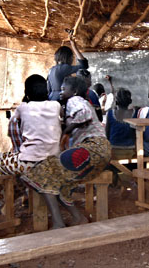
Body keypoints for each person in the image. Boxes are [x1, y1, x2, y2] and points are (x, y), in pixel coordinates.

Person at [21, 76, 110, 228]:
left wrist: (65, 131)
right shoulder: (72, 106)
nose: (60, 92)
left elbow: (84, 115)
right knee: (58, 180)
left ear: (74, 91)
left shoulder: (75, 101)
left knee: (39, 171)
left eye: (63, 89)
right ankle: (77, 218)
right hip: (98, 152)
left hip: (92, 148)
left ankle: (58, 221)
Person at [0, 75, 61, 213]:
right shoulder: (56, 106)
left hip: (29, 162)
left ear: (27, 93)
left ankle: (1, 205)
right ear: (47, 91)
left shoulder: (23, 108)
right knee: (18, 170)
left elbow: (13, 124)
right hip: (53, 160)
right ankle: (14, 195)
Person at [47, 36, 88, 101]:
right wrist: (74, 47)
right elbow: (84, 65)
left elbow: (48, 89)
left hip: (52, 98)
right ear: (69, 57)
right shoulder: (63, 68)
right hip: (61, 98)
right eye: (72, 56)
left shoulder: (51, 69)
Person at [105, 88, 137, 160]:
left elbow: (107, 134)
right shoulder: (135, 113)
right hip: (131, 152)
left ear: (116, 101)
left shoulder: (110, 114)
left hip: (114, 152)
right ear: (130, 101)